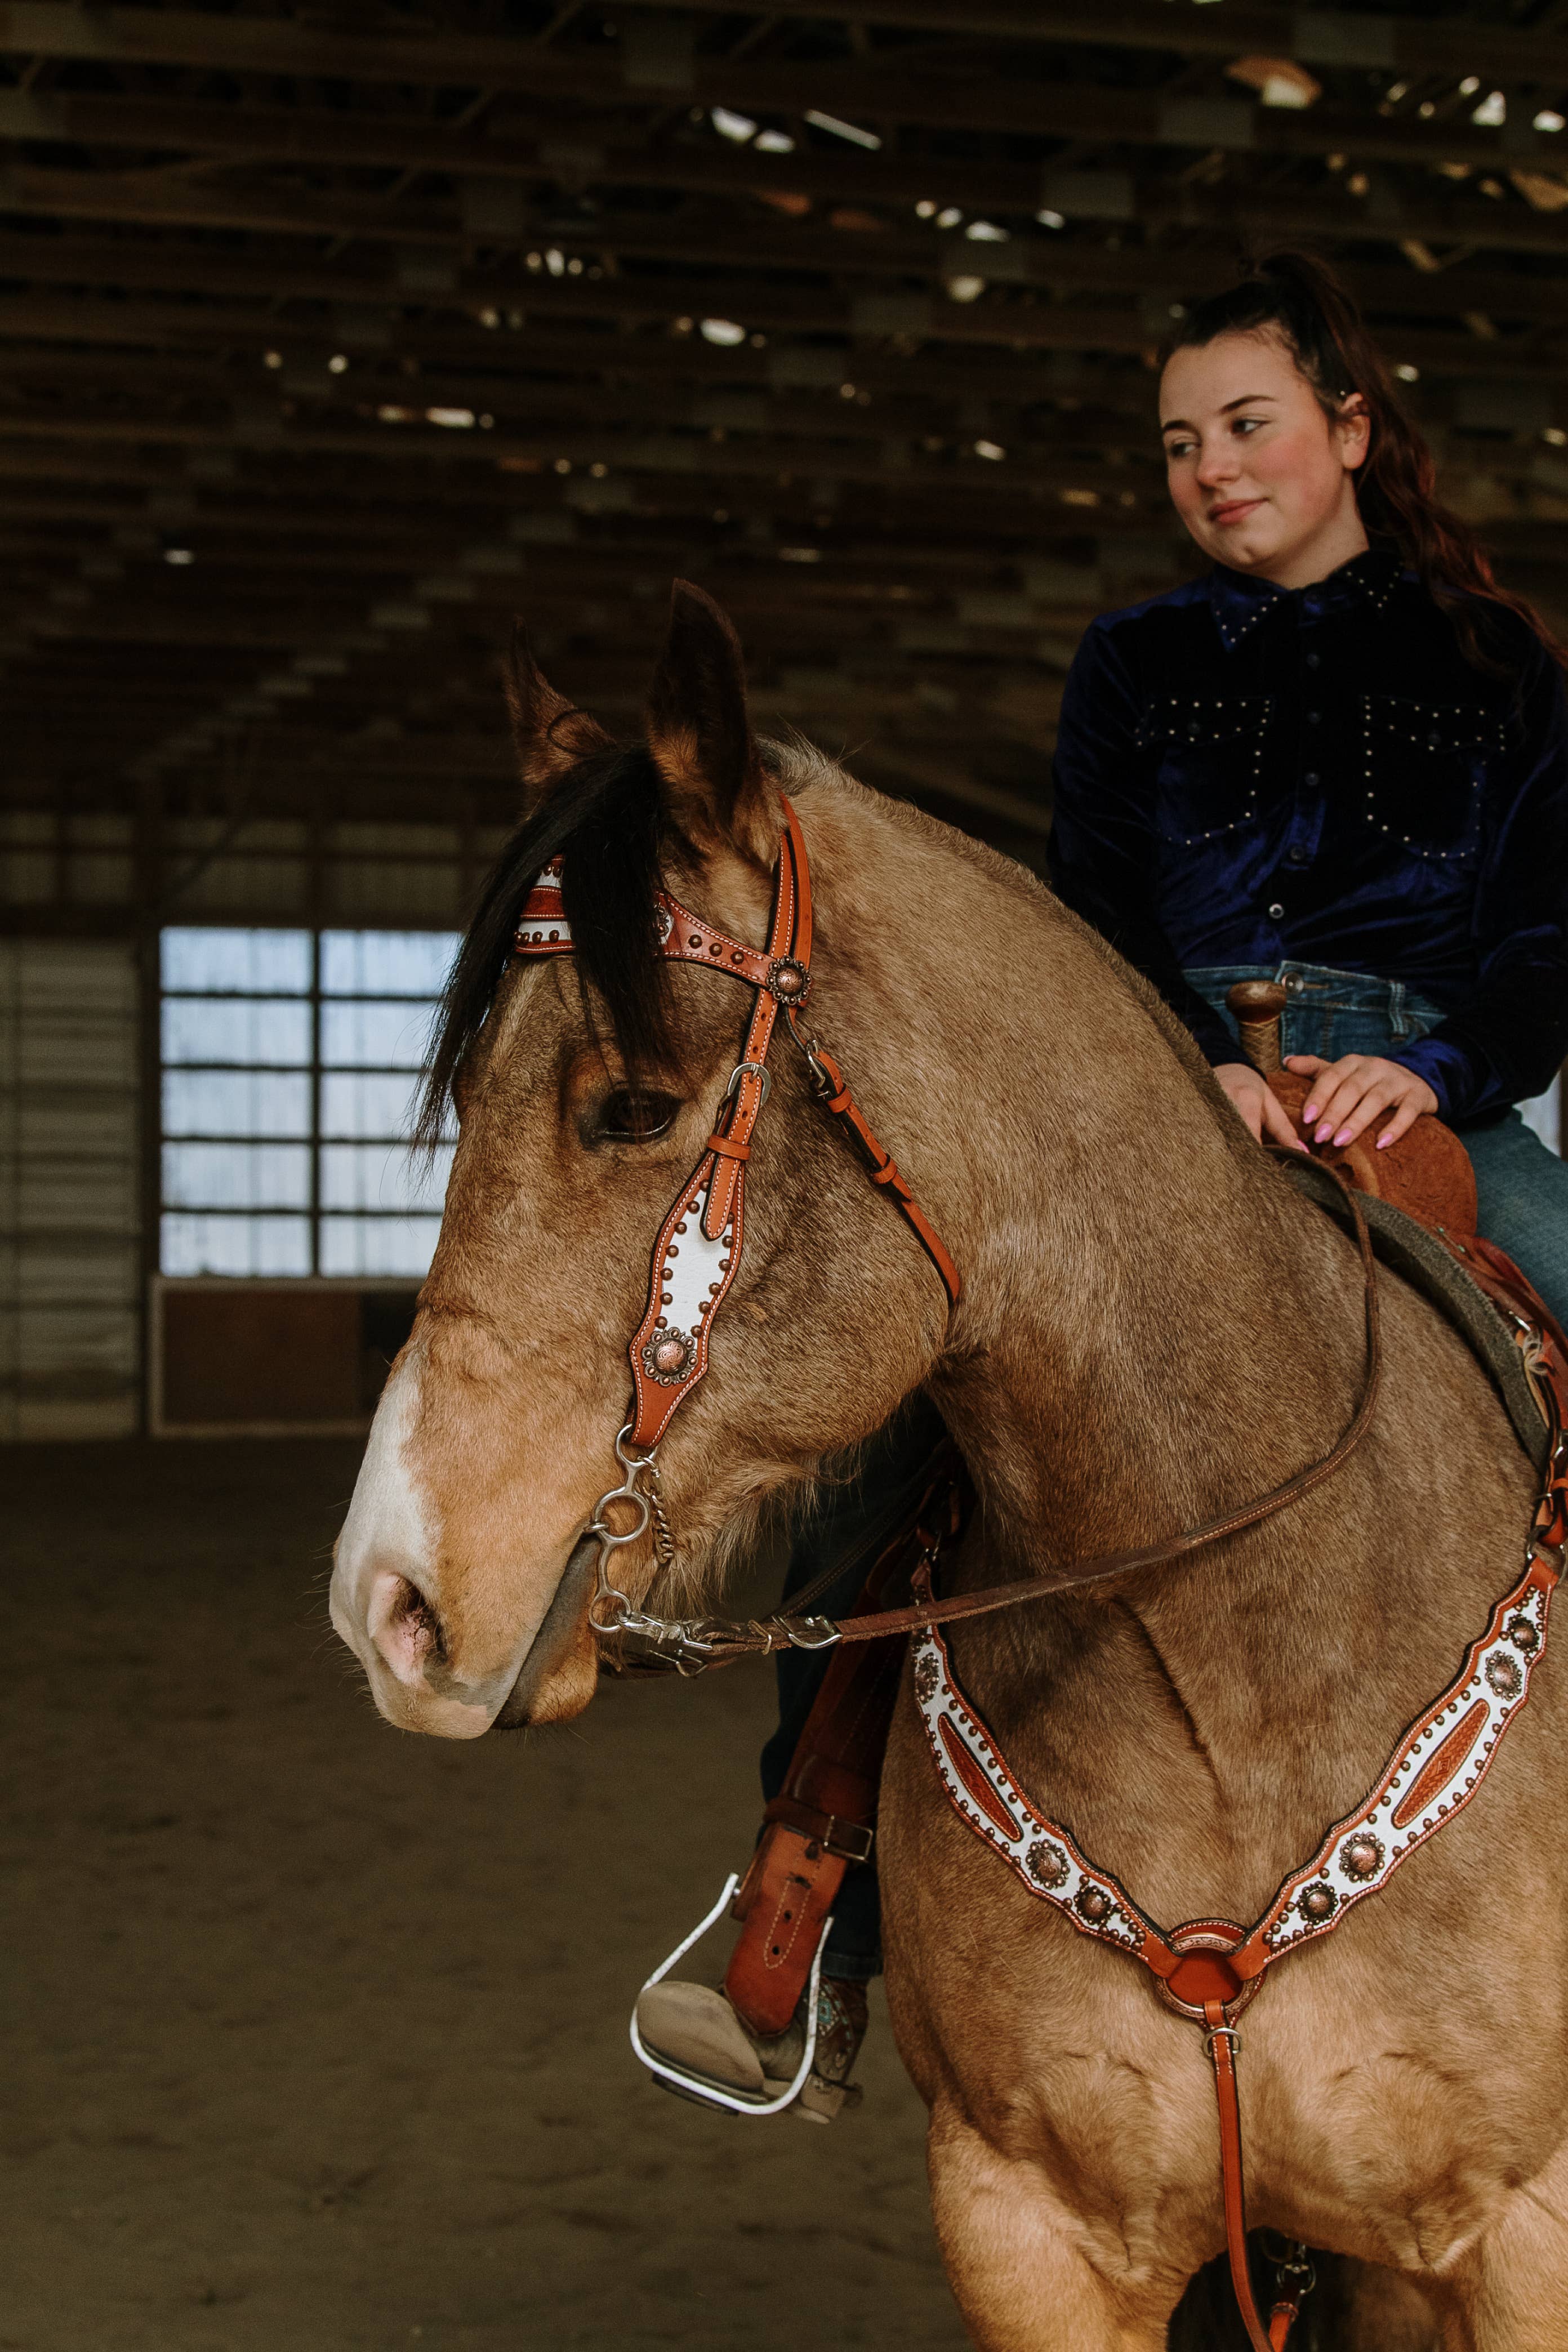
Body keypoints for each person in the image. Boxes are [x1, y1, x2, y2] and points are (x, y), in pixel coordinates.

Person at [634, 250, 1568, 2113]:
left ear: (1352, 428)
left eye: (1248, 425)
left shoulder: (1501, 667)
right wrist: (1187, 1061)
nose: (1214, 468)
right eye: (1178, 445)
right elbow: (1093, 917)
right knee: (891, 1462)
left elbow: (1544, 942)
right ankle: (808, 1916)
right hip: (1172, 1099)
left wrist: (1439, 1062)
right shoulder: (1133, 665)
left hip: (1429, 1100)